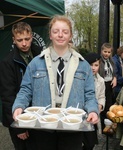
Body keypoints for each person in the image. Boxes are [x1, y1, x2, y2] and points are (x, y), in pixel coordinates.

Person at [12, 15, 99, 150]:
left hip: (72, 127)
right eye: (55, 31)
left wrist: (93, 110)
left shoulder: (83, 65)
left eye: (65, 31)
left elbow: (90, 94)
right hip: (43, 127)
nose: (60, 35)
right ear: (50, 35)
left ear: (70, 36)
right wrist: (18, 106)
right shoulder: (36, 63)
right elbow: (25, 90)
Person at [0, 22, 43, 150]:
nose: (24, 43)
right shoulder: (7, 63)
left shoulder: (43, 55)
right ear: (14, 40)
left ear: (31, 36)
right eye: (19, 40)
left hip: (40, 116)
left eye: (27, 39)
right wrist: (19, 127)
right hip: (18, 118)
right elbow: (8, 97)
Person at [83, 52, 106, 150]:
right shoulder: (80, 78)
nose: (93, 68)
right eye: (90, 65)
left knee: (90, 143)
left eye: (96, 65)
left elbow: (101, 96)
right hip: (81, 114)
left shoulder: (100, 81)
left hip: (93, 116)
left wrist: (100, 105)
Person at [99, 43, 117, 132]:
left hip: (110, 84)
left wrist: (115, 78)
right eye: (105, 51)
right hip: (102, 84)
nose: (106, 54)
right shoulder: (99, 61)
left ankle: (108, 126)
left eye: (108, 52)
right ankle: (102, 126)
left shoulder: (112, 61)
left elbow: (114, 72)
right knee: (102, 104)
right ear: (101, 51)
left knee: (108, 106)